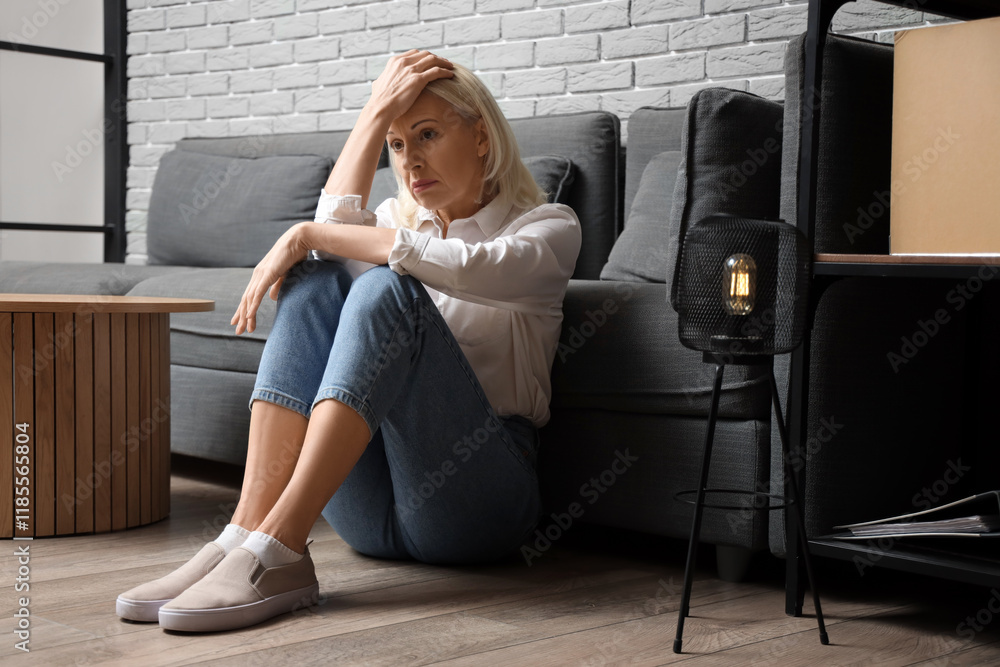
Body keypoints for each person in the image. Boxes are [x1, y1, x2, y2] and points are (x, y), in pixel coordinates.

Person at [116, 50, 581, 633]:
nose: (411, 163)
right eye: (397, 144)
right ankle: (246, 533)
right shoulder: (396, 216)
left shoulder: (549, 227)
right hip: (366, 512)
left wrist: (309, 232)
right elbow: (329, 243)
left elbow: (469, 265)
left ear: (482, 137)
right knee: (319, 276)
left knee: (383, 284)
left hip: (476, 505)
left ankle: (277, 548)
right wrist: (369, 116)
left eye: (428, 134)